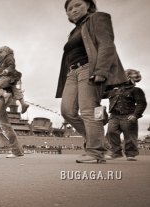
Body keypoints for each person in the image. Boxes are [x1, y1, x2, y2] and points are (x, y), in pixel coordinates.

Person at [56, 0, 127, 163]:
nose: (73, 10)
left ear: (88, 5)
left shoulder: (98, 18)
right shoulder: (73, 32)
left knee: (88, 110)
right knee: (67, 111)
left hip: (89, 68)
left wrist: (101, 70)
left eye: (78, 5)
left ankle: (96, 152)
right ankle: (99, 141)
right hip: (72, 73)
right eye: (69, 8)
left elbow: (107, 45)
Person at [105, 69, 147, 161]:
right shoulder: (113, 90)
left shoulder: (136, 90)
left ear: (130, 78)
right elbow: (101, 94)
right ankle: (115, 152)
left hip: (128, 115)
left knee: (130, 136)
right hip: (114, 116)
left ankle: (130, 154)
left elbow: (142, 103)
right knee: (111, 133)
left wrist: (136, 115)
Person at [0, 46, 29, 114]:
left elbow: (12, 66)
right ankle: (23, 104)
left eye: (0, 52)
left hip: (10, 76)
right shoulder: (1, 63)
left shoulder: (9, 57)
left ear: (6, 51)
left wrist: (7, 70)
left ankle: (3, 97)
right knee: (14, 90)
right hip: (9, 78)